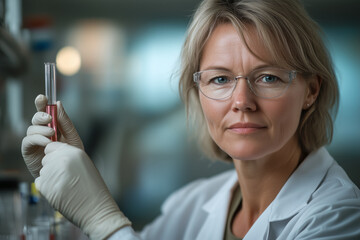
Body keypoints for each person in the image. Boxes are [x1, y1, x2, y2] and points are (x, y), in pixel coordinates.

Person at [22, 0, 360, 239]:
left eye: (268, 77)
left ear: (311, 90)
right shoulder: (193, 205)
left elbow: (113, 233)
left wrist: (102, 217)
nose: (242, 102)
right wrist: (66, 192)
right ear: (197, 92)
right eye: (220, 79)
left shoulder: (338, 217)